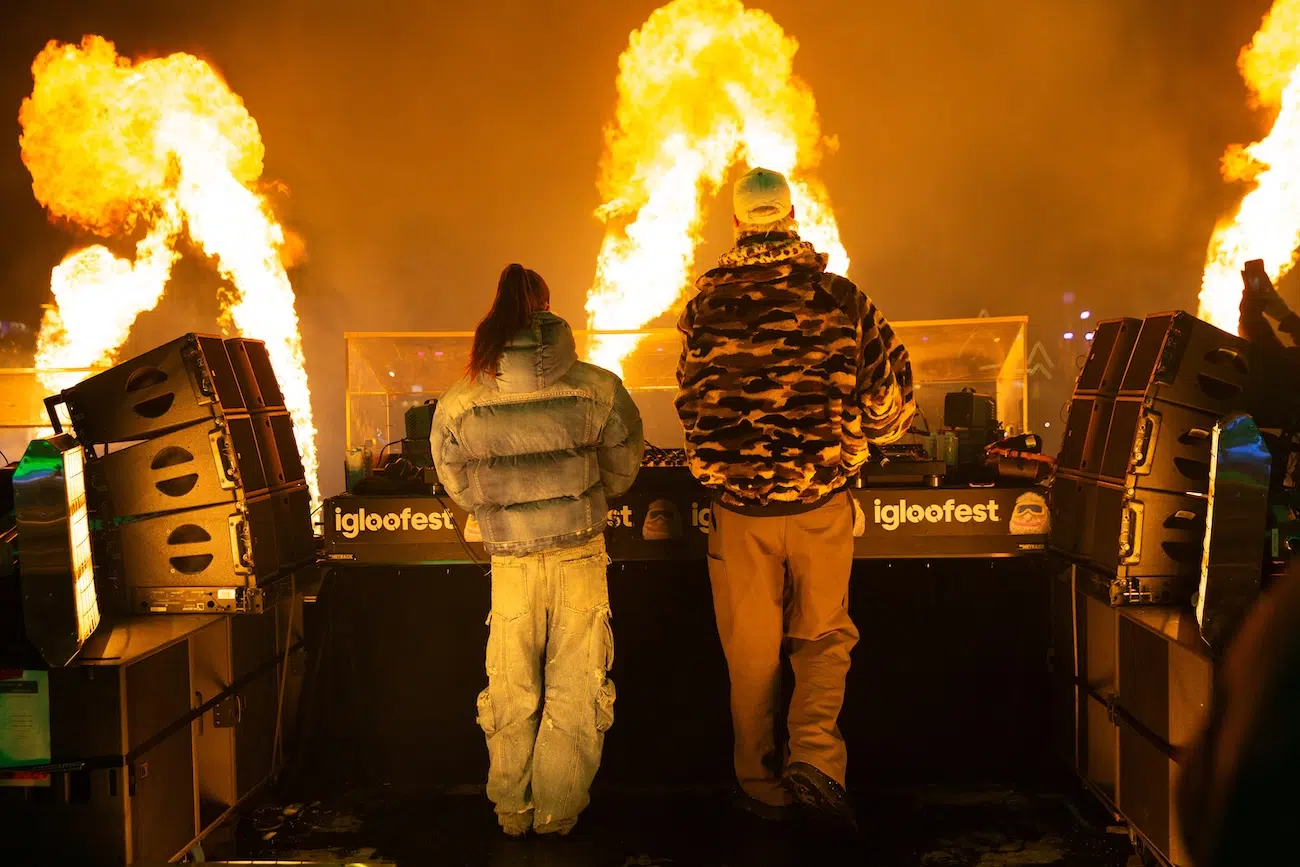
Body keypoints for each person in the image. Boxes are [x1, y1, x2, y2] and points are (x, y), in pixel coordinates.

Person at [675, 168, 915, 832]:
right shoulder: (839, 298)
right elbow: (887, 401)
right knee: (823, 636)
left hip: (737, 514)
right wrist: (864, 442)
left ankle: (760, 784)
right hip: (819, 504)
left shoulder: (703, 307)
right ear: (791, 217)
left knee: (749, 654)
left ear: (736, 225)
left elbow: (689, 403)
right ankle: (814, 757)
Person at [431, 264, 645, 838]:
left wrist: (498, 504)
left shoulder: (460, 401)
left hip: (511, 561)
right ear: (550, 310)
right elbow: (623, 470)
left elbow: (456, 483)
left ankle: (511, 809)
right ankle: (558, 813)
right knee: (577, 683)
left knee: (510, 684)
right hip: (579, 554)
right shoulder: (598, 386)